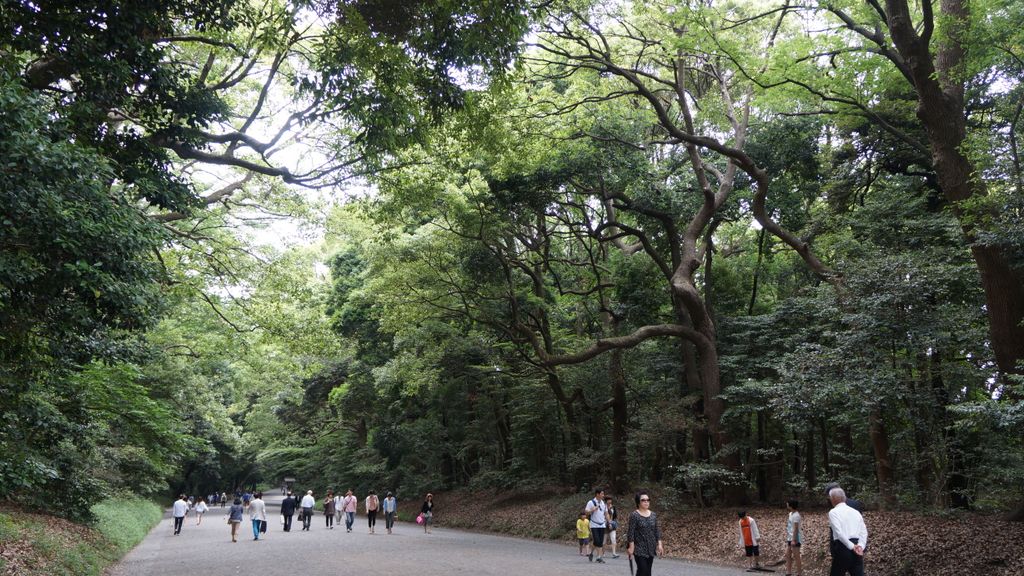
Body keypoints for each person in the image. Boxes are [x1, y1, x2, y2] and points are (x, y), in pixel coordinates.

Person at [828, 487, 868, 576]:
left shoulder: (833, 512)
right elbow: (864, 531)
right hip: (857, 548)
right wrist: (861, 546)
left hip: (843, 548)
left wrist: (852, 546)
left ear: (833, 499)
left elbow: (839, 533)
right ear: (845, 498)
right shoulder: (856, 512)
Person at [626, 489, 663, 576]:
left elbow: (656, 530)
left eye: (648, 500)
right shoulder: (634, 515)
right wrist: (631, 547)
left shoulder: (653, 515)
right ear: (638, 502)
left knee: (647, 572)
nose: (646, 502)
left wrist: (660, 544)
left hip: (651, 547)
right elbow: (630, 532)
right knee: (643, 570)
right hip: (639, 548)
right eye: (643, 500)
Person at [584, 488, 609, 563]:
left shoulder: (603, 503)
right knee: (597, 540)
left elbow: (606, 513)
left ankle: (592, 553)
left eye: (603, 494)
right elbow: (586, 513)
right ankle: (599, 557)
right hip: (594, 524)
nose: (603, 495)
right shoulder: (591, 502)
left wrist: (609, 521)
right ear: (597, 494)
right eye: (602, 494)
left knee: (599, 542)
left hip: (602, 525)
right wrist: (592, 510)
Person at [786, 499, 803, 576]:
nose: (787, 505)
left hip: (796, 538)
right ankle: (789, 572)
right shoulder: (790, 514)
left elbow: (796, 529)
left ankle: (799, 574)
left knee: (796, 556)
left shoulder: (796, 515)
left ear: (791, 506)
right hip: (789, 537)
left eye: (788, 504)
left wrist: (794, 540)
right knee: (788, 554)